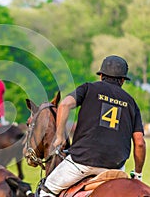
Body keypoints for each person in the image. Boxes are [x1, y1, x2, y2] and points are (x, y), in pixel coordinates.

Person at [39, 55, 146, 196]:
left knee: (46, 189)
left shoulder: (88, 88)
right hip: (115, 168)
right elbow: (139, 143)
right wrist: (137, 174)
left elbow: (64, 104)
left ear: (101, 75)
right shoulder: (131, 102)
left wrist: (59, 136)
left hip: (82, 162)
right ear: (122, 80)